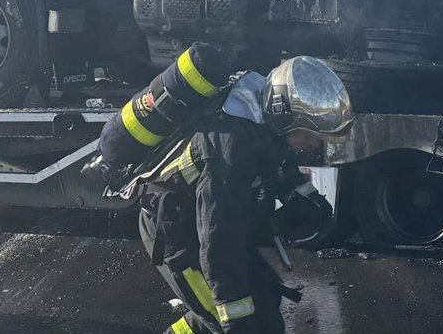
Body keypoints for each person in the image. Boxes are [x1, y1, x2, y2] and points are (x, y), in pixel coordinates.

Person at [137, 56, 351, 334]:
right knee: (241, 320)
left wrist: (312, 206)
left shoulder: (266, 129)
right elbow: (218, 240)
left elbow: (284, 173)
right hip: (178, 236)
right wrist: (234, 316)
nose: (310, 145)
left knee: (264, 302)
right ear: (285, 116)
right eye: (308, 136)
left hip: (206, 224)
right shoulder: (231, 151)